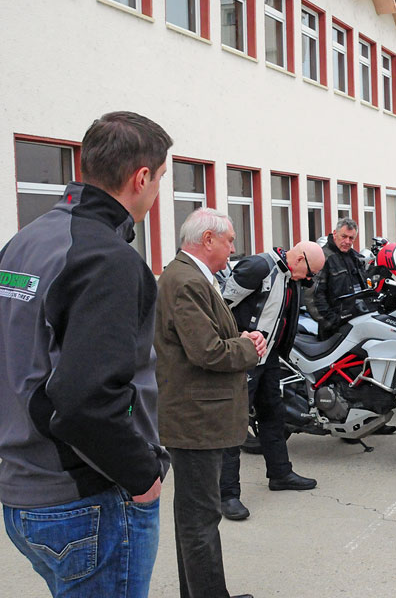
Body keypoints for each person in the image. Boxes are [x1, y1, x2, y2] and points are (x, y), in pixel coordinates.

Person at [0, 111, 171, 597]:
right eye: (161, 178)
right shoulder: (107, 260)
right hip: (86, 498)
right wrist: (142, 476)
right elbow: (85, 401)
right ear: (141, 177)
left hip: (23, 490)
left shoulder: (24, 243)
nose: (158, 191)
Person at [155, 208, 266, 598]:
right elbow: (207, 351)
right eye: (229, 240)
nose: (233, 248)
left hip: (197, 417)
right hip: (195, 420)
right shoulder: (186, 280)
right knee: (200, 520)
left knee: (195, 519)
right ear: (207, 240)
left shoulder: (191, 276)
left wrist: (241, 341)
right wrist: (249, 348)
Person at [219, 240, 326, 520]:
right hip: (244, 357)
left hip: (268, 358)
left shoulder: (290, 276)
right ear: (300, 259)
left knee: (273, 415)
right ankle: (227, 494)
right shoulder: (259, 267)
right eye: (310, 273)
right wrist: (239, 339)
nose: (310, 279)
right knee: (234, 424)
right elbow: (219, 307)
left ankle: (280, 473)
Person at [311, 217, 369, 339]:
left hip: (356, 323)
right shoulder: (322, 258)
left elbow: (364, 287)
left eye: (351, 238)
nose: (347, 241)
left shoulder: (356, 258)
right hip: (333, 330)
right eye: (344, 236)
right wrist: (332, 322)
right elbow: (313, 296)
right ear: (335, 233)